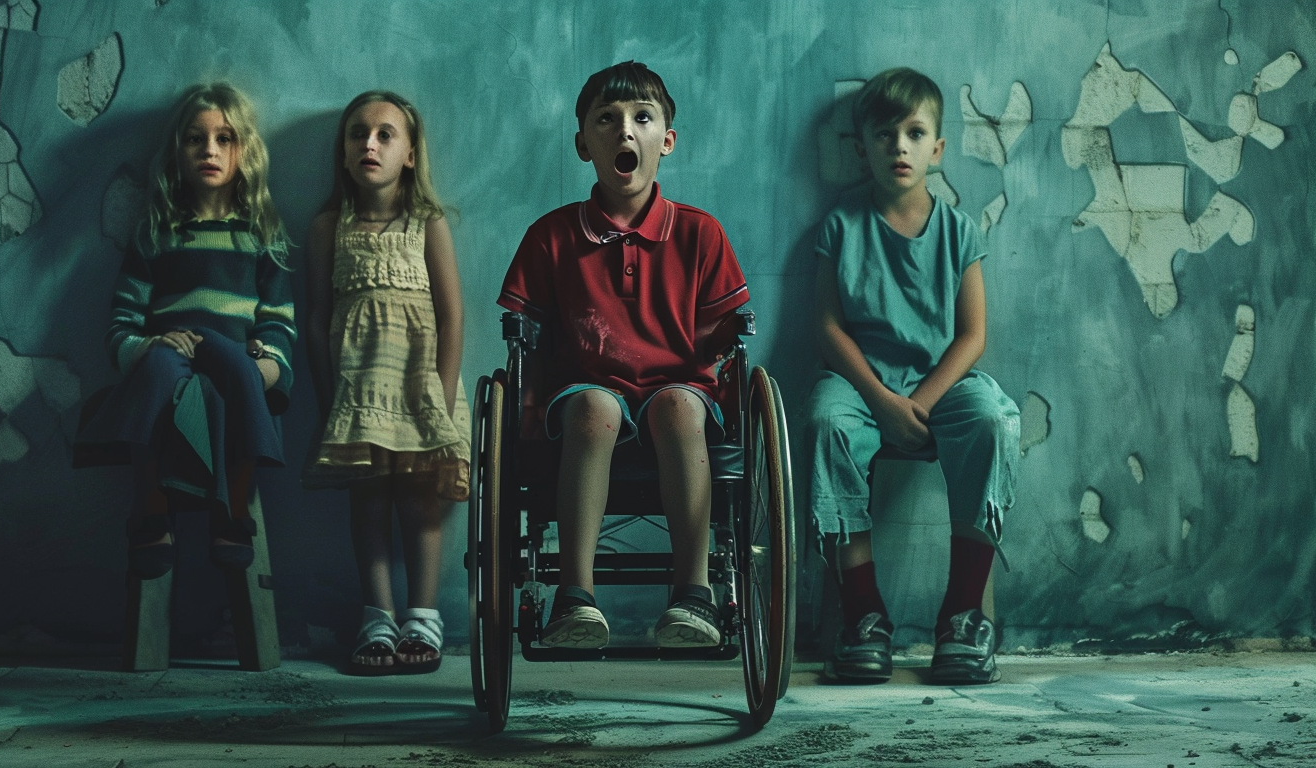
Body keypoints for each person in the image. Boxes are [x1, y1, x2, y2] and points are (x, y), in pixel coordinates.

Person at [498, 61, 750, 650]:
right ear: (584, 143)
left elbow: (723, 338)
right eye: (607, 120)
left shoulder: (699, 234)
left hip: (677, 388)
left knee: (680, 409)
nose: (625, 131)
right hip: (584, 387)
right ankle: (573, 598)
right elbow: (524, 340)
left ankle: (693, 596)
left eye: (642, 118)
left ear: (667, 140)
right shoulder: (552, 236)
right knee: (593, 407)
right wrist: (528, 416)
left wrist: (719, 356)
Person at [807, 67, 1020, 685]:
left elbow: (973, 336)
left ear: (937, 148)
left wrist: (917, 404)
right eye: (883, 134)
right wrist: (881, 403)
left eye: (914, 132)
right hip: (860, 384)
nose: (899, 146)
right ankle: (863, 616)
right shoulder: (840, 227)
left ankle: (961, 617)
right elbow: (826, 328)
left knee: (992, 421)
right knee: (824, 421)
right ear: (860, 147)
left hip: (940, 385)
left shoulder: (958, 230)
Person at [78, 82, 295, 579]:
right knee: (155, 367)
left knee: (235, 376)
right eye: (196, 139)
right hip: (172, 351)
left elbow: (280, 321)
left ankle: (232, 509)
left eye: (224, 138)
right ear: (178, 150)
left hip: (234, 355)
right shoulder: (157, 231)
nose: (210, 150)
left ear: (244, 150)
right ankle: (150, 507)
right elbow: (121, 323)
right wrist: (146, 344)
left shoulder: (262, 234)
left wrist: (269, 362)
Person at [303, 91, 469, 675]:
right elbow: (317, 318)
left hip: (421, 383)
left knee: (422, 502)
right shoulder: (329, 226)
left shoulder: (428, 222)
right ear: (343, 152)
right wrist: (329, 398)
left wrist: (443, 400)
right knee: (368, 497)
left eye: (383, 134)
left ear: (410, 154)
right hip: (359, 386)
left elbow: (451, 315)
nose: (368, 144)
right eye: (357, 134)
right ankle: (377, 614)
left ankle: (423, 614)